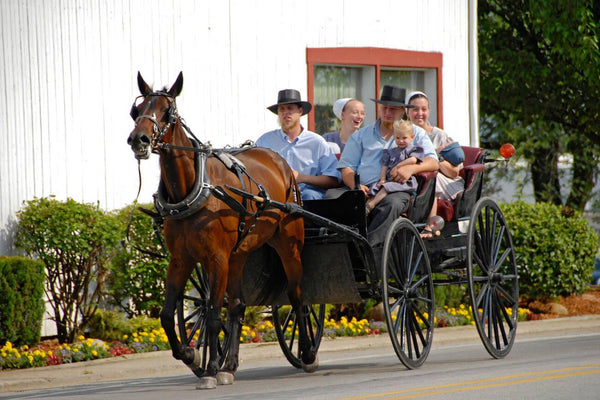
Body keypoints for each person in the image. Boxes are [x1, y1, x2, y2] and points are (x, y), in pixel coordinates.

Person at [335, 85, 439, 247]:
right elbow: (347, 167)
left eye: (393, 109)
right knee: (331, 198)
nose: (388, 112)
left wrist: (411, 168)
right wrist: (355, 186)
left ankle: (369, 249)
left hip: (398, 189)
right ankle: (337, 249)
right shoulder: (361, 136)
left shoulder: (415, 133)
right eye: (384, 108)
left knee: (390, 204)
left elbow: (433, 162)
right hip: (363, 188)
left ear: (403, 111)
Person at [256, 89, 340, 200]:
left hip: (308, 198)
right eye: (282, 109)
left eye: (290, 108)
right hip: (274, 196)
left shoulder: (317, 142)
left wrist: (302, 178)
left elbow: (333, 180)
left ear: (300, 111)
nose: (286, 112)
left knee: (309, 195)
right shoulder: (265, 141)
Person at [406, 90, 465, 237]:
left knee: (431, 177)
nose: (420, 113)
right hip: (415, 183)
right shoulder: (402, 136)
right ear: (407, 112)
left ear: (429, 111)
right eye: (415, 109)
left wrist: (435, 157)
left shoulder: (439, 136)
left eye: (424, 109)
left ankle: (430, 225)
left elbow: (454, 172)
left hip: (447, 183)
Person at [366, 120, 424, 214]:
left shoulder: (412, 150)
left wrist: (398, 166)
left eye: (404, 138)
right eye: (397, 138)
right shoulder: (390, 152)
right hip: (390, 180)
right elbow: (384, 167)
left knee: (386, 188)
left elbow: (413, 160)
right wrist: (382, 179)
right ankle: (367, 207)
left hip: (404, 182)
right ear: (394, 137)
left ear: (412, 137)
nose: (401, 141)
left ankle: (371, 205)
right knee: (375, 187)